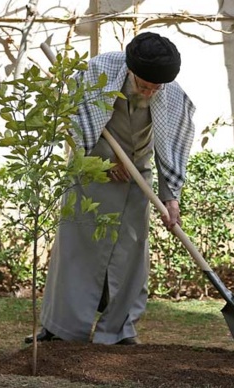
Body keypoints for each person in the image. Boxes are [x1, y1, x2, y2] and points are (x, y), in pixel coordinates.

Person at [27, 31, 196, 345]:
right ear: (131, 71)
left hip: (136, 180)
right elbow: (75, 122)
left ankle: (118, 332)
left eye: (154, 88)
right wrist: (102, 164)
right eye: (143, 85)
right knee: (76, 254)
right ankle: (61, 330)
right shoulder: (100, 73)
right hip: (91, 174)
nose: (148, 93)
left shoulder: (170, 95)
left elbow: (171, 147)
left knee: (132, 257)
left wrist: (170, 197)